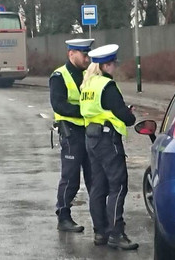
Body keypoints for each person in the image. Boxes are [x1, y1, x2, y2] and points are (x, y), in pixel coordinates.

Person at [79, 44, 139, 250]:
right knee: (118, 185)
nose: (115, 67)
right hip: (107, 140)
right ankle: (116, 233)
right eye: (113, 64)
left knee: (98, 186)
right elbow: (125, 117)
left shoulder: (88, 84)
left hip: (91, 138)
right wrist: (129, 114)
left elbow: (96, 110)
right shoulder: (107, 86)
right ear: (106, 65)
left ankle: (100, 233)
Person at [49, 38, 94, 232]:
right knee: (71, 177)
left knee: (96, 177)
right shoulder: (59, 76)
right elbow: (58, 105)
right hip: (71, 133)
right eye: (83, 54)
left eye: (88, 54)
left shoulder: (91, 74)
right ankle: (64, 216)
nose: (87, 58)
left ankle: (101, 220)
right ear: (71, 54)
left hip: (92, 132)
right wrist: (84, 111)